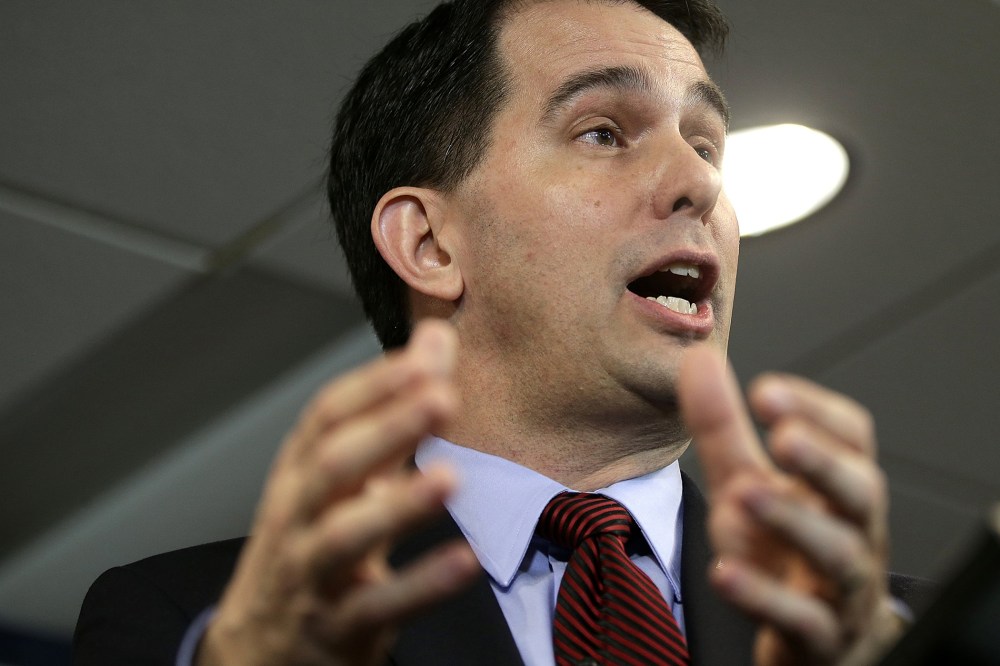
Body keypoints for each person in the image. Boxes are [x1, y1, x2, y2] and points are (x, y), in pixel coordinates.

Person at [74, 0, 930, 664]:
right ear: (429, 242)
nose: (697, 182)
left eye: (707, 145)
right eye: (604, 132)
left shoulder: (911, 640)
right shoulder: (196, 624)